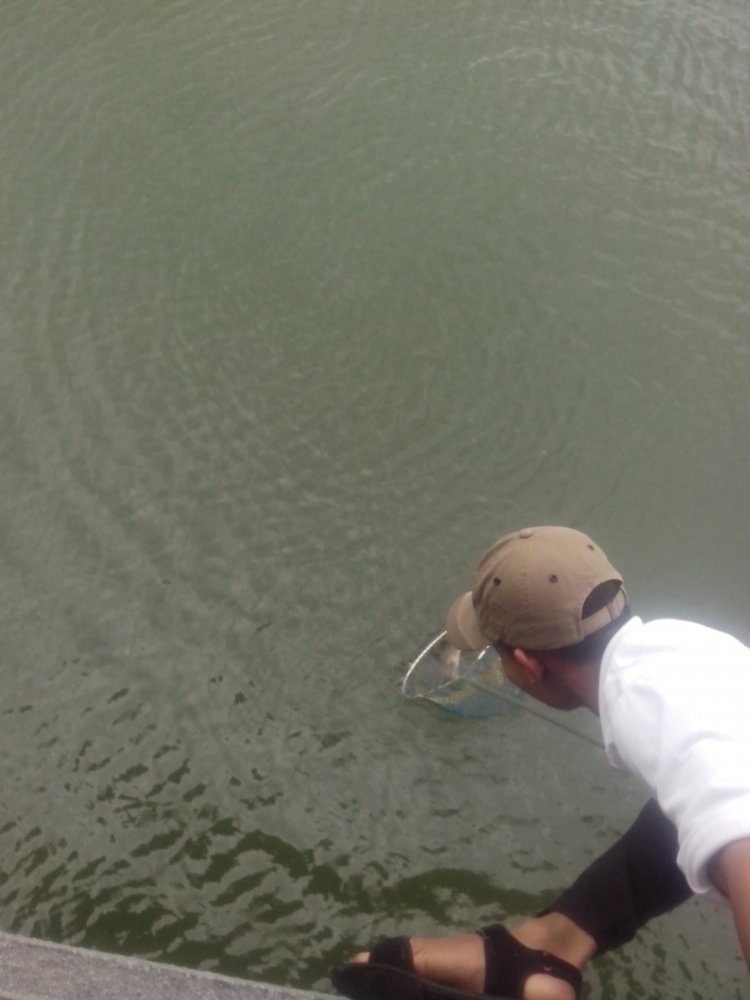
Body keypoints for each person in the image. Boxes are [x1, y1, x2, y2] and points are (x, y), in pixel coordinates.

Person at [331, 525, 750, 999]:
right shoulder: (683, 645)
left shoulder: (644, 710)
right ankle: (551, 945)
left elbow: (739, 822)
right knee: (690, 816)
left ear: (528, 666)